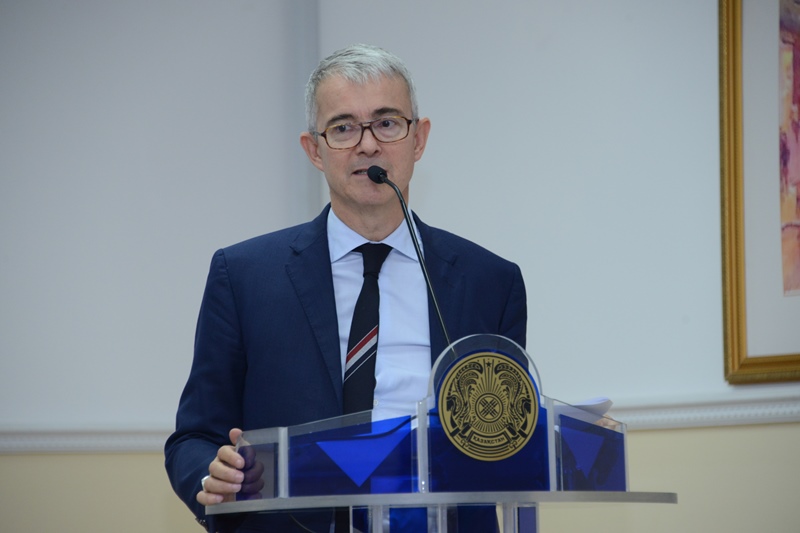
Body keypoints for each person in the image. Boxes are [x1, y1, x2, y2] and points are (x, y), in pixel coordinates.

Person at [165, 43, 527, 532]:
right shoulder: (245, 276)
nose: (368, 145)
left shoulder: (489, 282)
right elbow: (194, 438)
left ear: (419, 139)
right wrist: (212, 477)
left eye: (387, 123)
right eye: (343, 128)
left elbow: (504, 437)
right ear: (314, 150)